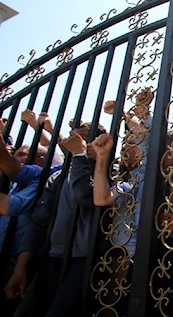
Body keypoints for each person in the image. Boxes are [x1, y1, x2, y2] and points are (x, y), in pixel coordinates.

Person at [4, 122, 107, 317]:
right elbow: (38, 224)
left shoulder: (107, 172)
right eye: (75, 140)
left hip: (85, 260)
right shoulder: (58, 177)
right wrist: (21, 267)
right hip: (52, 257)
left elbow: (83, 196)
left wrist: (80, 156)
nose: (76, 144)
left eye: (83, 139)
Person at [0, 135, 47, 316]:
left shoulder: (39, 174)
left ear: (39, 160)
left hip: (12, 260)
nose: (15, 157)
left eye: (21, 155)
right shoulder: (10, 184)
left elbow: (11, 206)